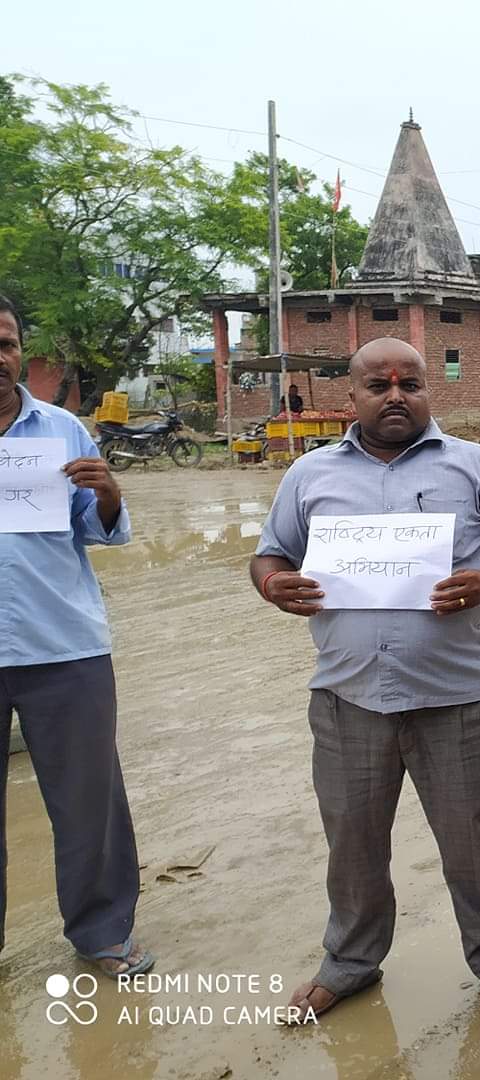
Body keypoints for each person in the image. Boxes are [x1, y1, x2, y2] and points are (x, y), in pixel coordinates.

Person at [250, 337, 480, 1023]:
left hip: (453, 694)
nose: (394, 396)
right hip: (346, 695)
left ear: (427, 392)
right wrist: (274, 585)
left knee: (472, 836)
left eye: (409, 384)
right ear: (350, 397)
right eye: (377, 385)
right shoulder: (309, 474)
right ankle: (350, 962)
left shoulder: (479, 466)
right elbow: (269, 552)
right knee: (352, 839)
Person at [0, 294, 154, 978]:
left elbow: (97, 528)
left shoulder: (62, 430)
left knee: (88, 798)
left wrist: (109, 491)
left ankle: (102, 932)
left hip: (64, 646)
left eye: (4, 341)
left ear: (19, 353)